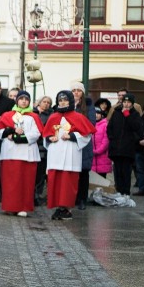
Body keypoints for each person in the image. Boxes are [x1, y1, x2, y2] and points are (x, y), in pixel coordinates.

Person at [43, 90, 94, 220]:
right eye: (60, 100)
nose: (63, 102)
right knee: (55, 181)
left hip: (71, 154)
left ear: (70, 101)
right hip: (55, 154)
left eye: (65, 100)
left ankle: (66, 209)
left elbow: (87, 135)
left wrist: (72, 136)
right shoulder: (53, 117)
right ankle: (58, 207)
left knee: (68, 182)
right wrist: (49, 139)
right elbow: (45, 135)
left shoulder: (78, 117)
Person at [0, 90, 42, 217]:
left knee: (26, 183)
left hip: (28, 154)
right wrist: (9, 132)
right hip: (10, 153)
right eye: (21, 99)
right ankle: (10, 206)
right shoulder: (6, 115)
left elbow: (37, 133)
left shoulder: (33, 116)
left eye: (26, 99)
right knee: (10, 183)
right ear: (17, 101)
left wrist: (20, 138)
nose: (24, 101)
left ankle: (23, 207)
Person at [107, 93, 141, 196]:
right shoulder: (116, 112)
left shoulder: (135, 114)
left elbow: (136, 127)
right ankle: (119, 190)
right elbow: (110, 127)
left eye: (128, 102)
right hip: (116, 147)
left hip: (127, 148)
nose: (126, 104)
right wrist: (112, 139)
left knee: (126, 171)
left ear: (132, 103)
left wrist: (127, 114)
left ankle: (126, 191)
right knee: (117, 171)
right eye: (124, 102)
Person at [71, 82, 94, 209]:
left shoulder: (89, 106)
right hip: (70, 142)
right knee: (72, 171)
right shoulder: (68, 104)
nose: (76, 92)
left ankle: (82, 199)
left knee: (84, 172)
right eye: (73, 90)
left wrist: (77, 130)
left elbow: (91, 124)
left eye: (78, 90)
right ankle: (73, 197)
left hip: (84, 142)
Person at [34, 96, 54, 205]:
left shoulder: (51, 115)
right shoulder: (33, 113)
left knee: (41, 173)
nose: (46, 104)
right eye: (44, 102)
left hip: (44, 147)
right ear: (39, 102)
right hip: (33, 145)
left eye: (48, 102)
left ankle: (37, 194)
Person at [92, 104, 112, 178]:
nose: (96, 115)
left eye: (98, 113)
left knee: (102, 179)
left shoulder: (105, 125)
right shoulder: (89, 124)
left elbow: (106, 141)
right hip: (92, 158)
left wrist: (97, 151)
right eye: (94, 113)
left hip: (103, 157)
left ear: (101, 115)